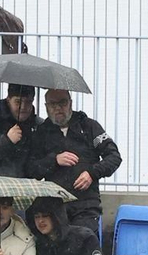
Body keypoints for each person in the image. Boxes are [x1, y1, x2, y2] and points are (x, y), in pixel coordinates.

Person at [31, 90, 121, 229]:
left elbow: (114, 157)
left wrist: (92, 173)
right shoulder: (41, 133)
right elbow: (31, 169)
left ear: (70, 103)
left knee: (83, 242)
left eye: (62, 102)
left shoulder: (89, 126)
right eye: (53, 104)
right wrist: (54, 160)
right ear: (46, 106)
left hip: (86, 206)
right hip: (54, 207)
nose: (58, 108)